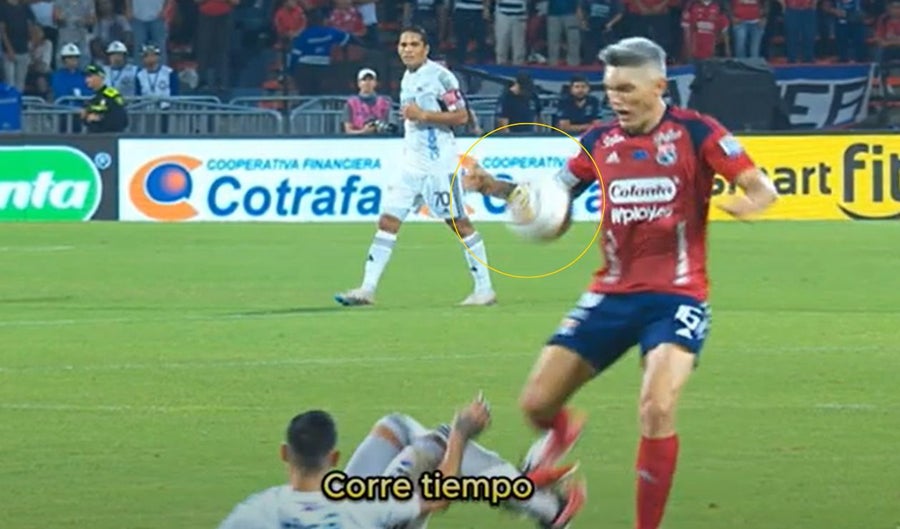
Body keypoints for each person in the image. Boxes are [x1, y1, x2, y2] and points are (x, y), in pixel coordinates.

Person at [462, 36, 778, 529]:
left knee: (656, 407)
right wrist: (496, 188)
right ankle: (560, 431)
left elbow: (761, 185)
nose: (616, 99)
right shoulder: (598, 141)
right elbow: (550, 200)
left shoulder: (697, 132)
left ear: (659, 86)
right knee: (536, 404)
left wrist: (748, 201)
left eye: (627, 89)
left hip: (677, 297)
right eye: (610, 89)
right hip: (609, 294)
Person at [217, 395, 586, 529]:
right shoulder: (364, 506)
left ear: (285, 453)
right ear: (333, 457)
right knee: (437, 444)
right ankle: (546, 506)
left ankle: (523, 488)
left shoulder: (254, 511)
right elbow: (439, 495)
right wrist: (461, 433)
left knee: (395, 427)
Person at [335, 26, 497, 308]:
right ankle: (367, 289)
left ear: (426, 48)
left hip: (438, 165)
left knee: (459, 223)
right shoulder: (407, 77)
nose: (407, 49)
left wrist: (422, 114)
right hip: (411, 163)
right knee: (388, 221)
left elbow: (462, 116)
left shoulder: (441, 77)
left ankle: (485, 289)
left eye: (413, 44)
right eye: (403, 44)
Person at [81, 64, 128, 132]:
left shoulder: (111, 95)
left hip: (110, 135)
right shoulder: (91, 97)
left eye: (90, 76)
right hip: (93, 136)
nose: (87, 80)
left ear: (100, 77)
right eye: (86, 77)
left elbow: (122, 119)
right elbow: (84, 118)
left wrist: (100, 118)